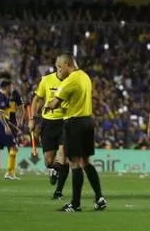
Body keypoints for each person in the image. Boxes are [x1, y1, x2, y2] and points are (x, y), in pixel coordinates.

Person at [43, 54, 106, 212]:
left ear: (66, 64)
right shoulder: (85, 77)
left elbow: (55, 103)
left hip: (74, 123)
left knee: (74, 163)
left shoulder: (70, 80)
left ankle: (75, 204)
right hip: (87, 121)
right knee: (85, 161)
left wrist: (46, 106)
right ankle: (99, 198)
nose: (59, 70)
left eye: (59, 67)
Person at [30, 66, 68, 200]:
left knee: (63, 157)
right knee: (49, 161)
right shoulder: (46, 80)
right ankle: (55, 170)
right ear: (59, 67)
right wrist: (32, 119)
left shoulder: (71, 81)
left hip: (65, 122)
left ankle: (58, 191)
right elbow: (36, 99)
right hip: (48, 123)